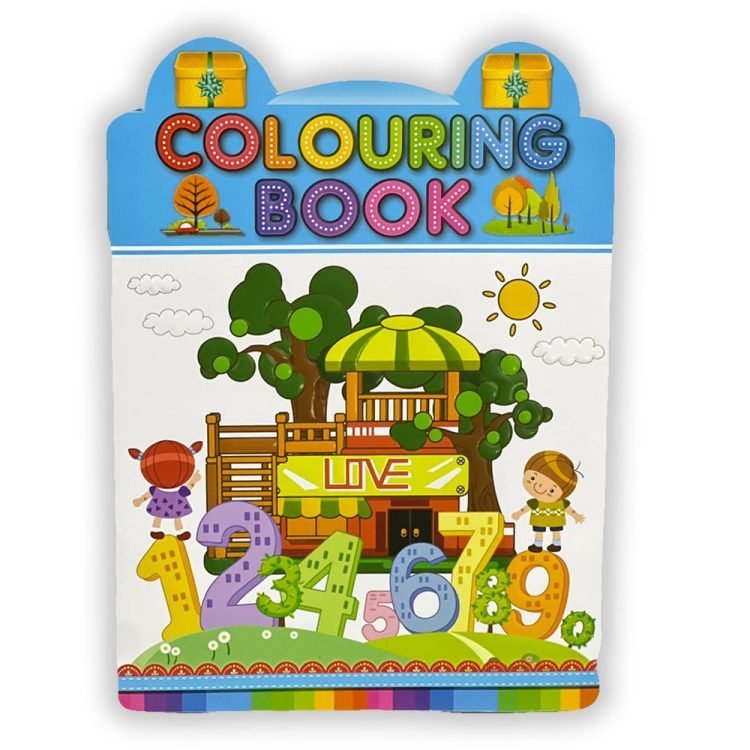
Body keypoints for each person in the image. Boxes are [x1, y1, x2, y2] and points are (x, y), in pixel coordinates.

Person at [511, 450, 585, 552]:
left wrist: (576, 515)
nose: (539, 486)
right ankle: (538, 545)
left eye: (552, 490)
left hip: (555, 520)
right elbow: (526, 508)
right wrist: (519, 513)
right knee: (539, 531)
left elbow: (568, 509)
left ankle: (556, 544)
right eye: (533, 478)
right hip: (539, 520)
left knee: (555, 531)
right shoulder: (535, 502)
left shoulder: (560, 502)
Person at [129, 439, 202, 540]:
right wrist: (195, 479)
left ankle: (171, 530)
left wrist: (140, 501)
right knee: (175, 516)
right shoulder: (173, 490)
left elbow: (148, 494)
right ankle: (166, 530)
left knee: (164, 515)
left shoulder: (157, 490)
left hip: (161, 500)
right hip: (176, 500)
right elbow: (189, 486)